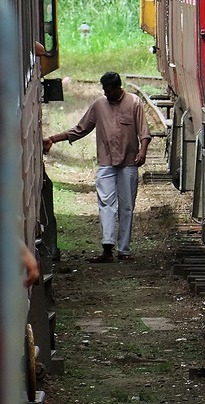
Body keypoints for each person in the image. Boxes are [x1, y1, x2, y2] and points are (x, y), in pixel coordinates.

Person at [44, 71, 150, 263]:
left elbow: (144, 132)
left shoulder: (134, 103)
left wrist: (142, 151)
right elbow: (81, 128)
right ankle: (107, 248)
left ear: (118, 89)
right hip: (106, 163)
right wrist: (53, 139)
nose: (106, 94)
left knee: (126, 207)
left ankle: (124, 249)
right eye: (104, 91)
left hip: (129, 163)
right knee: (106, 204)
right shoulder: (99, 104)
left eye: (109, 91)